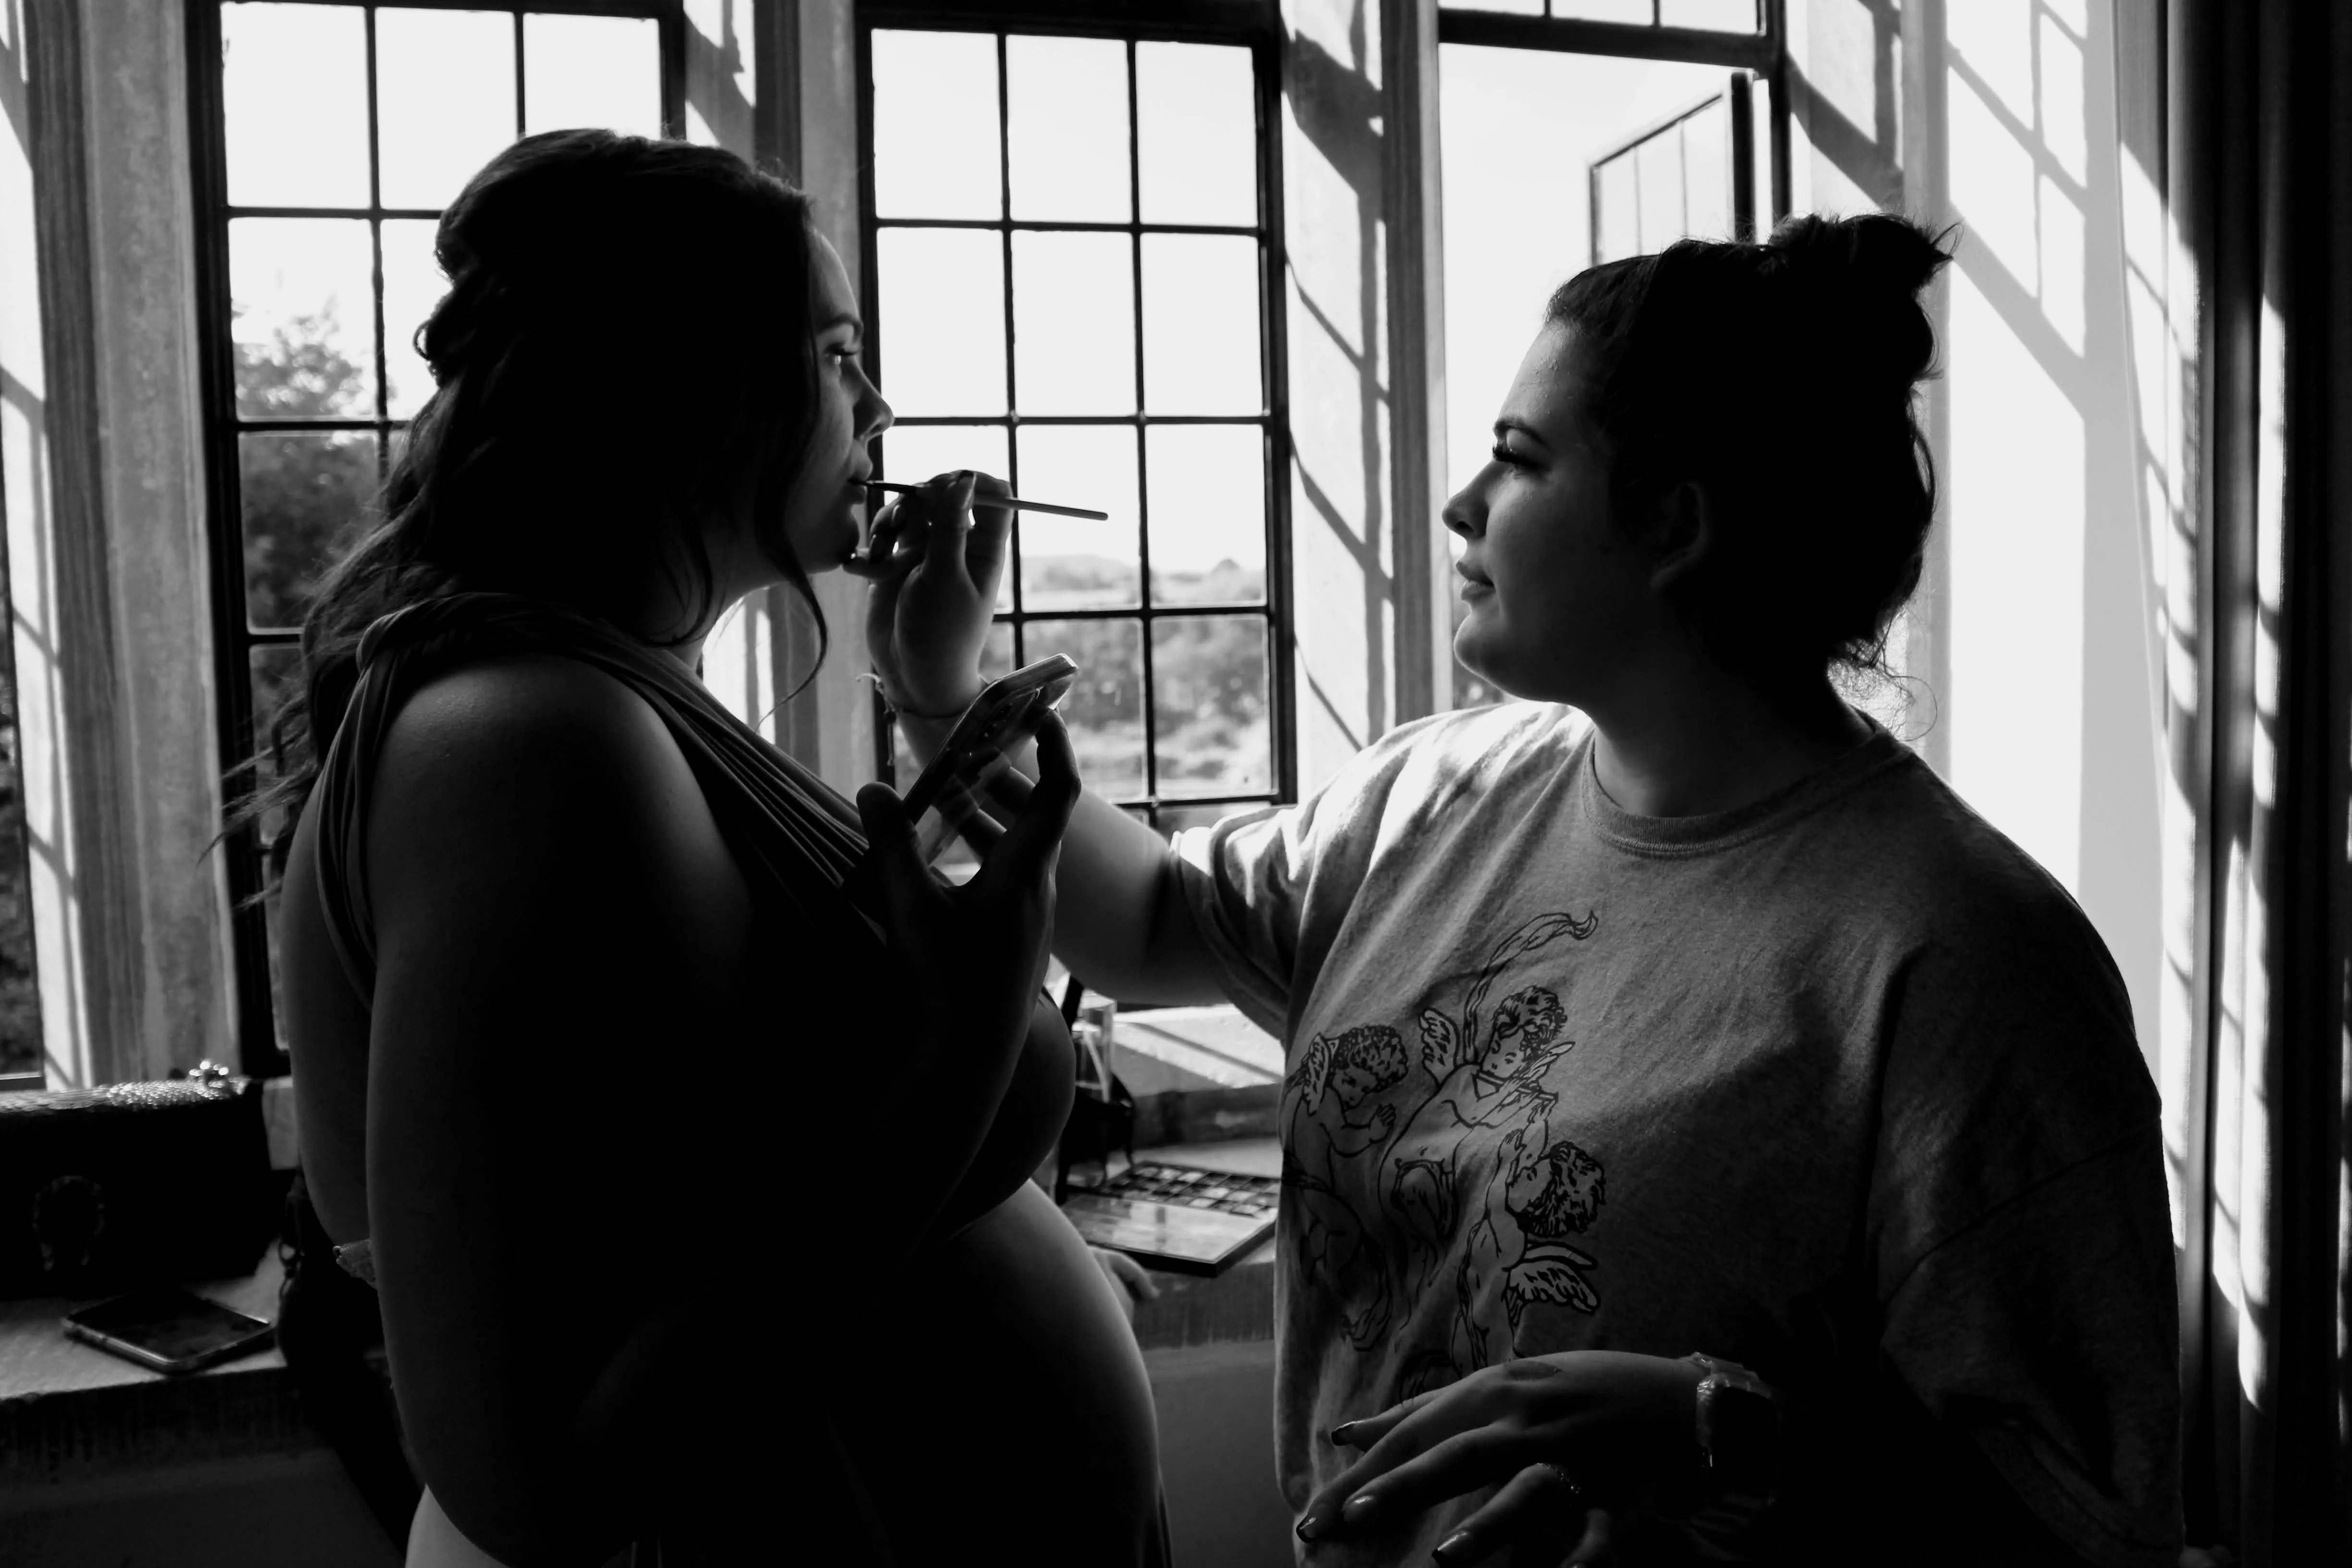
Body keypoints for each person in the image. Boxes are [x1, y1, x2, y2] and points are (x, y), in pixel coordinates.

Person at [867, 213, 2182, 1565]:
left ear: (1673, 523)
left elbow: (2087, 1526)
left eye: (1520, 456)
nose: (1463, 504)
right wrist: (943, 695)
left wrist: (1718, 1439)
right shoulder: (1436, 794)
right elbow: (1151, 924)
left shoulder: (1962, 964)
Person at [256, 130, 1167, 1567]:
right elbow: (535, 1476)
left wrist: (961, 1254)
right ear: (686, 386)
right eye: (835, 355)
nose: (878, 404)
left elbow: (709, 1209)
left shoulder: (606, 700)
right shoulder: (534, 742)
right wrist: (962, 1052)